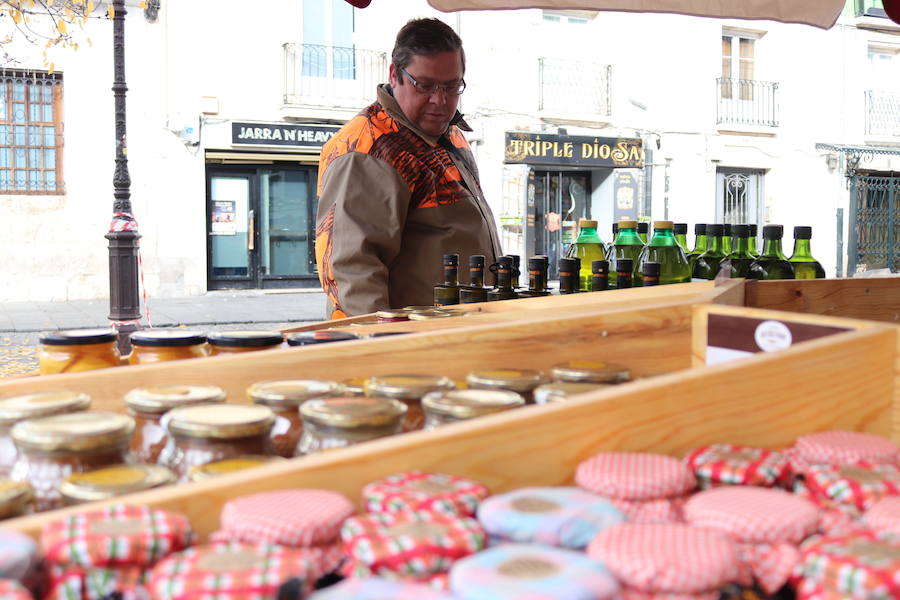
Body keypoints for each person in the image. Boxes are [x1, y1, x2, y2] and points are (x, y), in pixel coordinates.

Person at [315, 17, 502, 319]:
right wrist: (385, 350)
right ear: (394, 75)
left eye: (452, 86)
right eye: (425, 85)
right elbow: (352, 273)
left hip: (458, 335)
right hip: (415, 348)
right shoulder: (367, 149)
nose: (440, 100)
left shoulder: (449, 134)